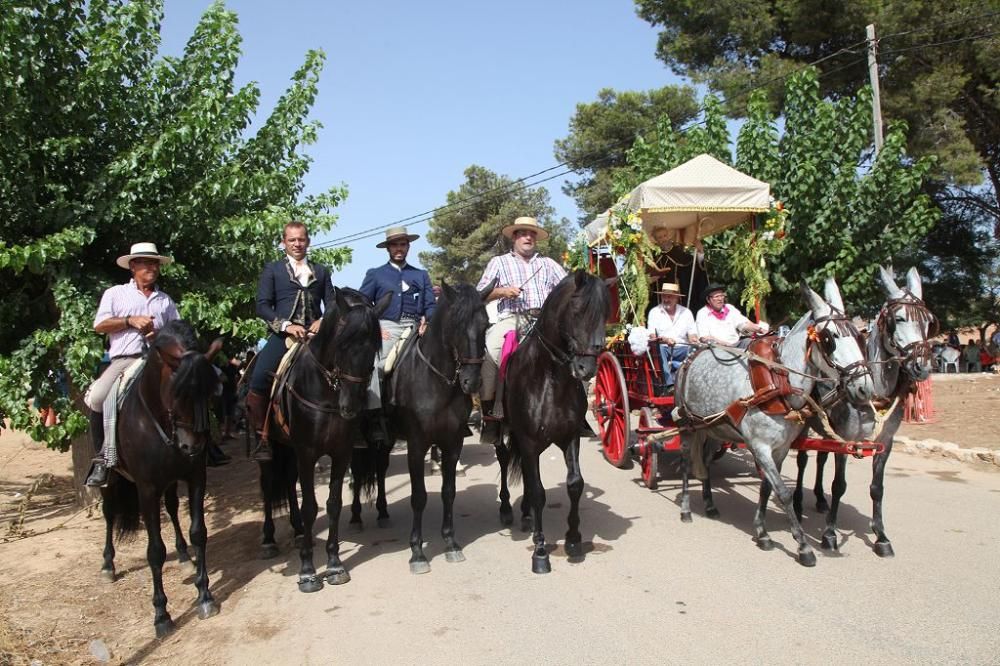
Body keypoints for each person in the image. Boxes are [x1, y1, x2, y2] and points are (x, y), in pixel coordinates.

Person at [85, 242, 179, 487]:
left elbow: (177, 334)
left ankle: (203, 447)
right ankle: (102, 459)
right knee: (97, 396)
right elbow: (100, 325)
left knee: (195, 385)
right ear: (133, 267)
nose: (152, 268)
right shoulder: (115, 294)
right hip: (126, 360)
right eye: (146, 263)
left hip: (158, 361)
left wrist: (157, 335)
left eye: (155, 263)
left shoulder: (165, 301)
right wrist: (129, 320)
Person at [246, 221, 335, 461]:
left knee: (348, 371)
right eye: (292, 240)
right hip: (284, 336)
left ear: (308, 241)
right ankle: (263, 436)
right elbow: (262, 306)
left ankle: (352, 428)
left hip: (317, 336)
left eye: (301, 239)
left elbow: (333, 303)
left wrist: (323, 321)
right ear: (283, 242)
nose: (297, 244)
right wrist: (287, 325)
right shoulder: (272, 270)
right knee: (257, 380)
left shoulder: (322, 270)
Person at [476, 216, 567, 444]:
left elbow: (568, 288)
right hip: (512, 318)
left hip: (545, 321)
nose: (528, 237)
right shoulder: (499, 262)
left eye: (532, 234)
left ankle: (575, 409)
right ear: (514, 237)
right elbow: (480, 294)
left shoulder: (548, 264)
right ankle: (490, 415)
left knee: (574, 352)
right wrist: (502, 292)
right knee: (490, 353)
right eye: (523, 233)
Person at [358, 226, 436, 442]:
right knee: (376, 366)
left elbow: (430, 305)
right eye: (395, 244)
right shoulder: (375, 274)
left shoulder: (420, 274)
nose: (399, 248)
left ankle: (451, 417)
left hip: (415, 327)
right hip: (387, 327)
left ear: (408, 246)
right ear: (388, 248)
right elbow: (364, 304)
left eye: (403, 244)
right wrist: (374, 327)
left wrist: (428, 321)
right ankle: (373, 417)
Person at [646, 282, 697, 394]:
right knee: (660, 349)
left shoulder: (686, 312)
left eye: (670, 296)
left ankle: (695, 382)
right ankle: (669, 385)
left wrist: (694, 340)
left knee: (697, 349)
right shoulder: (654, 312)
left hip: (683, 349)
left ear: (677, 298)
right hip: (664, 349)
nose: (666, 299)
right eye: (664, 296)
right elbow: (652, 335)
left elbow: (692, 334)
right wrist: (665, 339)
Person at [648, 226, 708, 311]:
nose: (664, 239)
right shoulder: (654, 257)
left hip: (679, 299)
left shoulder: (678, 254)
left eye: (665, 236)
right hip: (659, 300)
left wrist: (700, 252)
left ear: (668, 236)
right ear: (655, 240)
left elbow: (694, 266)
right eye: (660, 237)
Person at [694, 283, 769, 348]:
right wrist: (725, 344)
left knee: (754, 344)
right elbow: (704, 337)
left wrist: (760, 329)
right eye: (716, 297)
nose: (720, 299)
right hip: (717, 347)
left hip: (736, 344)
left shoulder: (730, 308)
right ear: (708, 300)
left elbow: (744, 324)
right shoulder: (702, 313)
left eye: (721, 296)